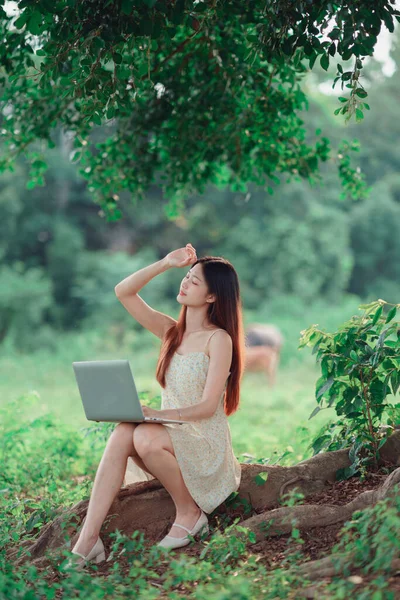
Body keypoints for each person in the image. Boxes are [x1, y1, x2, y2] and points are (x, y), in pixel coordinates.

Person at [69, 243, 245, 565]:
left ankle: (190, 513)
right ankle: (88, 540)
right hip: (171, 435)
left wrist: (157, 415)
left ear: (212, 296)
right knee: (125, 430)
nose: (185, 282)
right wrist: (166, 262)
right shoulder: (171, 333)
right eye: (187, 276)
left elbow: (207, 408)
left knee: (145, 435)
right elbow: (123, 292)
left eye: (195, 281)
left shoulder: (219, 339)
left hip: (205, 442)